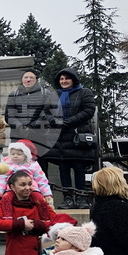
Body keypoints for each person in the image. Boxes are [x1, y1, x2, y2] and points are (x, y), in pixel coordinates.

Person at [42, 68, 98, 209]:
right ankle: (67, 198)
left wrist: (68, 121)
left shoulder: (84, 92)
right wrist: (53, 121)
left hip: (77, 135)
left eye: (67, 78)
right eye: (61, 79)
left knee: (79, 167)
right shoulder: (54, 95)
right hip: (59, 137)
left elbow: (89, 110)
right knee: (63, 167)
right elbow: (46, 111)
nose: (64, 81)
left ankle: (81, 198)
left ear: (73, 79)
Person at [5, 69, 56, 155]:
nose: (28, 80)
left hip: (39, 135)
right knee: (18, 164)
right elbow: (9, 116)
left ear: (36, 79)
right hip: (18, 135)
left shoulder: (45, 93)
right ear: (22, 80)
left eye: (31, 77)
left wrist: (32, 127)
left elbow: (47, 114)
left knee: (39, 163)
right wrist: (21, 127)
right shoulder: (13, 94)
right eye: (26, 77)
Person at [0, 142, 52, 207]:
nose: (15, 156)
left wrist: (47, 195)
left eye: (19, 154)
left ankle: (46, 215)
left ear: (25, 155)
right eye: (13, 154)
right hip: (11, 190)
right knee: (5, 200)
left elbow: (42, 180)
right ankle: (6, 216)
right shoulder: (6, 165)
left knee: (40, 200)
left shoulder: (33, 165)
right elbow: (0, 181)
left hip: (32, 189)